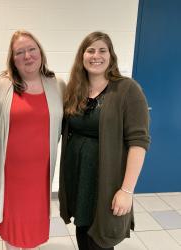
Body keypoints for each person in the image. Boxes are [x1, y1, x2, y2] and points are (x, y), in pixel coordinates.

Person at [58, 31, 150, 250]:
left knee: (101, 241)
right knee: (82, 232)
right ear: (82, 56)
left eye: (102, 50)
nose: (95, 56)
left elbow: (139, 142)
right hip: (79, 178)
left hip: (106, 181)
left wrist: (126, 191)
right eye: (90, 50)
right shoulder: (75, 90)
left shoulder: (127, 90)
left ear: (111, 55)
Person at [0, 30, 65, 250]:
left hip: (40, 176)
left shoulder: (56, 84)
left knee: (33, 233)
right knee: (13, 235)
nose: (27, 56)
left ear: (40, 52)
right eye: (19, 52)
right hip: (11, 177)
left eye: (32, 49)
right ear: (12, 59)